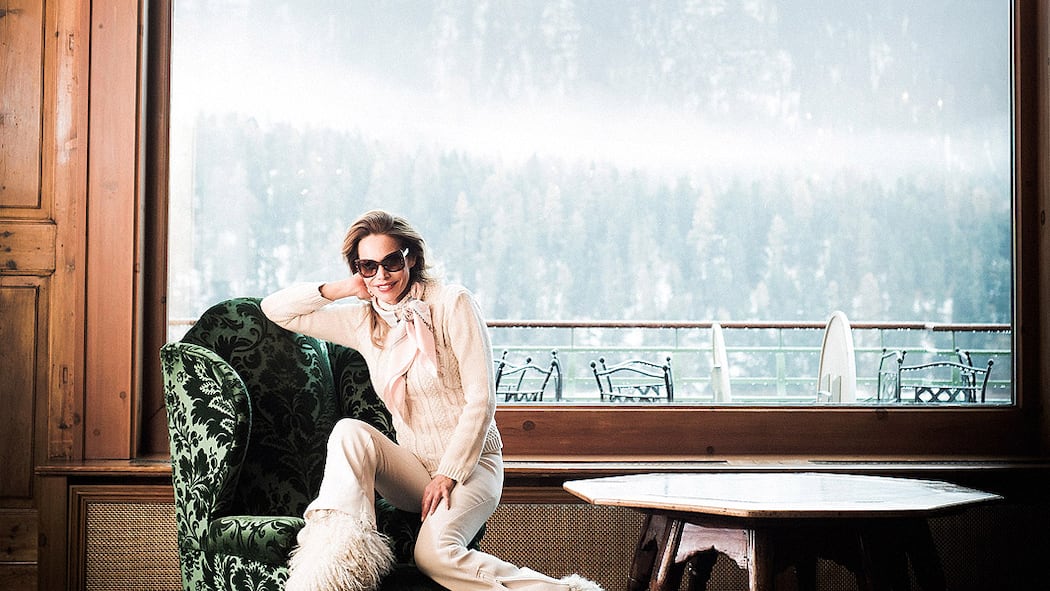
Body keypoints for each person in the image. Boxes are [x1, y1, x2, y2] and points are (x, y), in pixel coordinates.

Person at [261, 210, 603, 591]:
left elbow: (482, 400)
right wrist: (343, 288)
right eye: (368, 266)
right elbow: (275, 310)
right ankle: (340, 564)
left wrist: (449, 473)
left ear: (410, 258)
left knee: (433, 555)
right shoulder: (364, 322)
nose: (381, 275)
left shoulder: (453, 303)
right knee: (349, 434)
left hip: (472, 467)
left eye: (391, 262)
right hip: (415, 470)